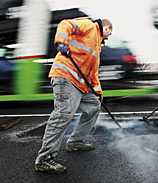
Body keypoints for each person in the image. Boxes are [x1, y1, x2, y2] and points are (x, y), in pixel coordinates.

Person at [35, 18, 113, 174]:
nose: (109, 35)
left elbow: (93, 74)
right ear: (106, 27)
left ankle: (75, 141)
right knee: (63, 114)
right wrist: (61, 42)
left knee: (93, 106)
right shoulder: (90, 26)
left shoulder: (97, 45)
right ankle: (44, 159)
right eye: (110, 31)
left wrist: (98, 93)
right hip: (65, 76)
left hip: (80, 84)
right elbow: (66, 24)